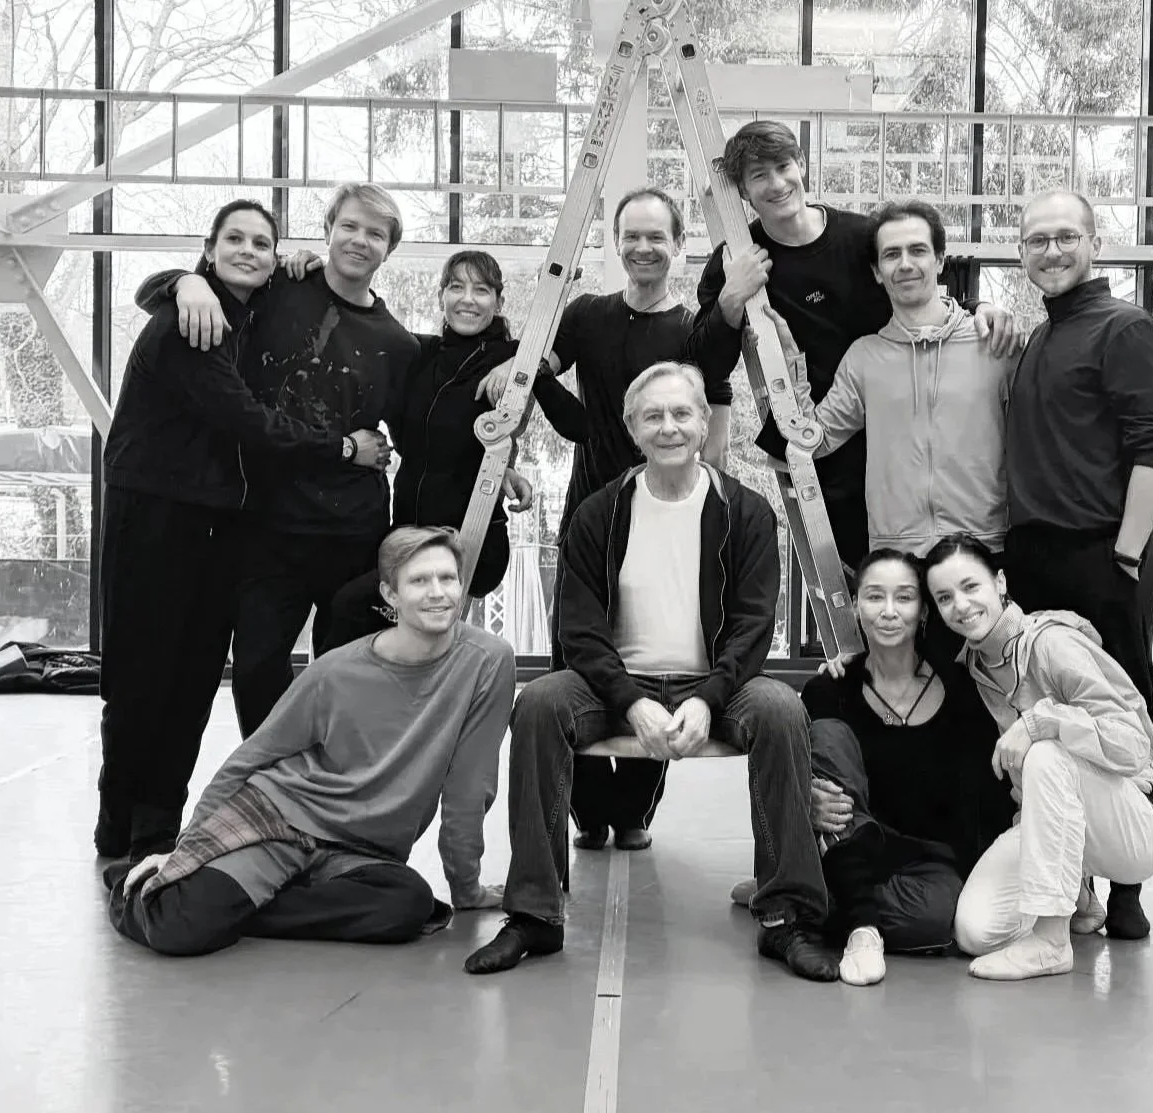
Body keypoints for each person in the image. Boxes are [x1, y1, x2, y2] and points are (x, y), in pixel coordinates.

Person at [464, 362, 839, 982]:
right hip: (615, 686)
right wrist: (631, 701)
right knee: (539, 704)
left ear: (703, 423)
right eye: (654, 416)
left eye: (682, 414)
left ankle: (789, 917)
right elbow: (578, 630)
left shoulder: (744, 512)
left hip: (716, 682)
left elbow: (752, 625)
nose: (670, 427)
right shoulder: (598, 513)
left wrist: (711, 699)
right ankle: (534, 914)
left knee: (780, 709)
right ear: (632, 429)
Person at [95, 199, 388, 861]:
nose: (250, 250)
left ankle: (156, 827)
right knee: (143, 674)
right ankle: (118, 826)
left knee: (196, 675)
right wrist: (344, 449)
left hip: (221, 526)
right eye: (235, 239)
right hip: (158, 517)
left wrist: (292, 262)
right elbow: (250, 421)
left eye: (263, 242)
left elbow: (304, 279)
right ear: (210, 246)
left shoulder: (247, 312)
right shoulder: (188, 322)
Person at [105, 526, 515, 957]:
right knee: (180, 930)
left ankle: (236, 909)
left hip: (360, 851)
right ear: (390, 595)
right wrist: (185, 850)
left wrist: (466, 888)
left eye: (447, 578)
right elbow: (250, 759)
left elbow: (470, 789)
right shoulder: (335, 673)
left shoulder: (487, 662)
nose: (438, 593)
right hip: (283, 822)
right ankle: (134, 883)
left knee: (408, 904)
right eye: (419, 581)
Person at [474, 187, 733, 853]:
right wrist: (514, 364)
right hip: (592, 512)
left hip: (668, 518)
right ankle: (588, 810)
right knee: (579, 655)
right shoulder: (588, 313)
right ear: (617, 244)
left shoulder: (691, 331)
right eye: (632, 235)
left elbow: (717, 422)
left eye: (657, 236)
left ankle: (635, 808)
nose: (643, 247)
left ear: (678, 246)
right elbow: (542, 370)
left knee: (660, 656)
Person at [135, 183, 420, 740]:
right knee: (258, 668)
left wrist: (496, 465)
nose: (359, 240)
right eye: (350, 226)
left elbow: (423, 440)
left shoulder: (398, 346)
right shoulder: (276, 290)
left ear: (390, 249)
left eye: (375, 234)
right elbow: (163, 293)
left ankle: (333, 797)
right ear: (328, 230)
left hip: (351, 533)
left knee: (344, 672)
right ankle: (271, 790)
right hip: (267, 527)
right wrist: (186, 279)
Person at [684, 120, 1018, 573]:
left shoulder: (863, 239)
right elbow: (706, 366)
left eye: (784, 166)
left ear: (802, 165)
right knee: (870, 592)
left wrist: (979, 308)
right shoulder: (735, 261)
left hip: (898, 434)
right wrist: (731, 296)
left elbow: (921, 284)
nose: (778, 183)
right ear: (743, 191)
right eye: (759, 175)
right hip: (820, 443)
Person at [1004, 189, 1153, 940]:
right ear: (1021, 253)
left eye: (1065, 236)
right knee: (1054, 717)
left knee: (1122, 711)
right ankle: (1073, 873)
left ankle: (1131, 886)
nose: (1051, 250)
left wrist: (1125, 552)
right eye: (1037, 239)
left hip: (1104, 551)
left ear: (1093, 243)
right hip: (1036, 555)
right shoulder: (1042, 338)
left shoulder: (1127, 328)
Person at [764, 197, 1015, 666]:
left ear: (940, 260)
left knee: (981, 705)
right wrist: (788, 359)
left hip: (981, 551)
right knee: (903, 704)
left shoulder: (994, 345)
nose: (905, 264)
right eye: (891, 255)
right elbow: (813, 442)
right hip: (896, 561)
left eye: (918, 251)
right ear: (877, 272)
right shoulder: (864, 357)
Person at [922, 534, 1153, 982]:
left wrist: (1044, 722)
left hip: (1138, 824)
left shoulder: (1052, 644)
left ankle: (1050, 942)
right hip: (1058, 824)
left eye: (971, 587)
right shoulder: (974, 668)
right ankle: (1075, 895)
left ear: (1000, 582)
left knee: (1045, 752)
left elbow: (1134, 742)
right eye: (944, 597)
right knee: (975, 931)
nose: (961, 606)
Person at [324, 249, 587, 648]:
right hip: (407, 536)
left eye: (481, 290)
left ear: (498, 302)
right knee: (352, 619)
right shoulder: (419, 353)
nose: (468, 299)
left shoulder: (512, 357)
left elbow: (579, 426)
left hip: (470, 540)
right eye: (456, 287)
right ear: (441, 296)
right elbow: (356, 330)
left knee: (348, 608)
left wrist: (527, 365)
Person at [802, 547, 1014, 986]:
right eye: (875, 597)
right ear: (856, 607)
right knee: (829, 735)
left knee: (939, 918)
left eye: (904, 598)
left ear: (923, 612)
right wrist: (806, 794)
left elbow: (980, 799)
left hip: (921, 861)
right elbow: (808, 778)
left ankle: (812, 903)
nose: (889, 612)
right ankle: (861, 929)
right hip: (848, 841)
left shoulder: (962, 691)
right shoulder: (830, 688)